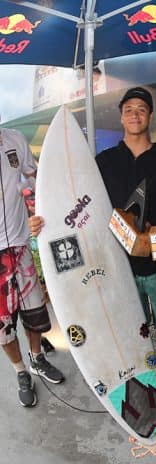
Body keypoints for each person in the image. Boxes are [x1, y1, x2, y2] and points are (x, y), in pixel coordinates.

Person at [31, 87, 156, 390]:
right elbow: (75, 202)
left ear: (150, 116)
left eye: (141, 109)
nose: (135, 115)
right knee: (129, 327)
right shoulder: (103, 162)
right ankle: (142, 383)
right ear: (121, 117)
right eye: (129, 110)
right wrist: (45, 223)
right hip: (116, 265)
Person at [1, 127, 64, 407]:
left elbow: (33, 177)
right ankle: (20, 372)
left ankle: (37, 358)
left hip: (22, 245)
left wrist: (37, 210)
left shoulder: (14, 138)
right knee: (3, 326)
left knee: (35, 312)